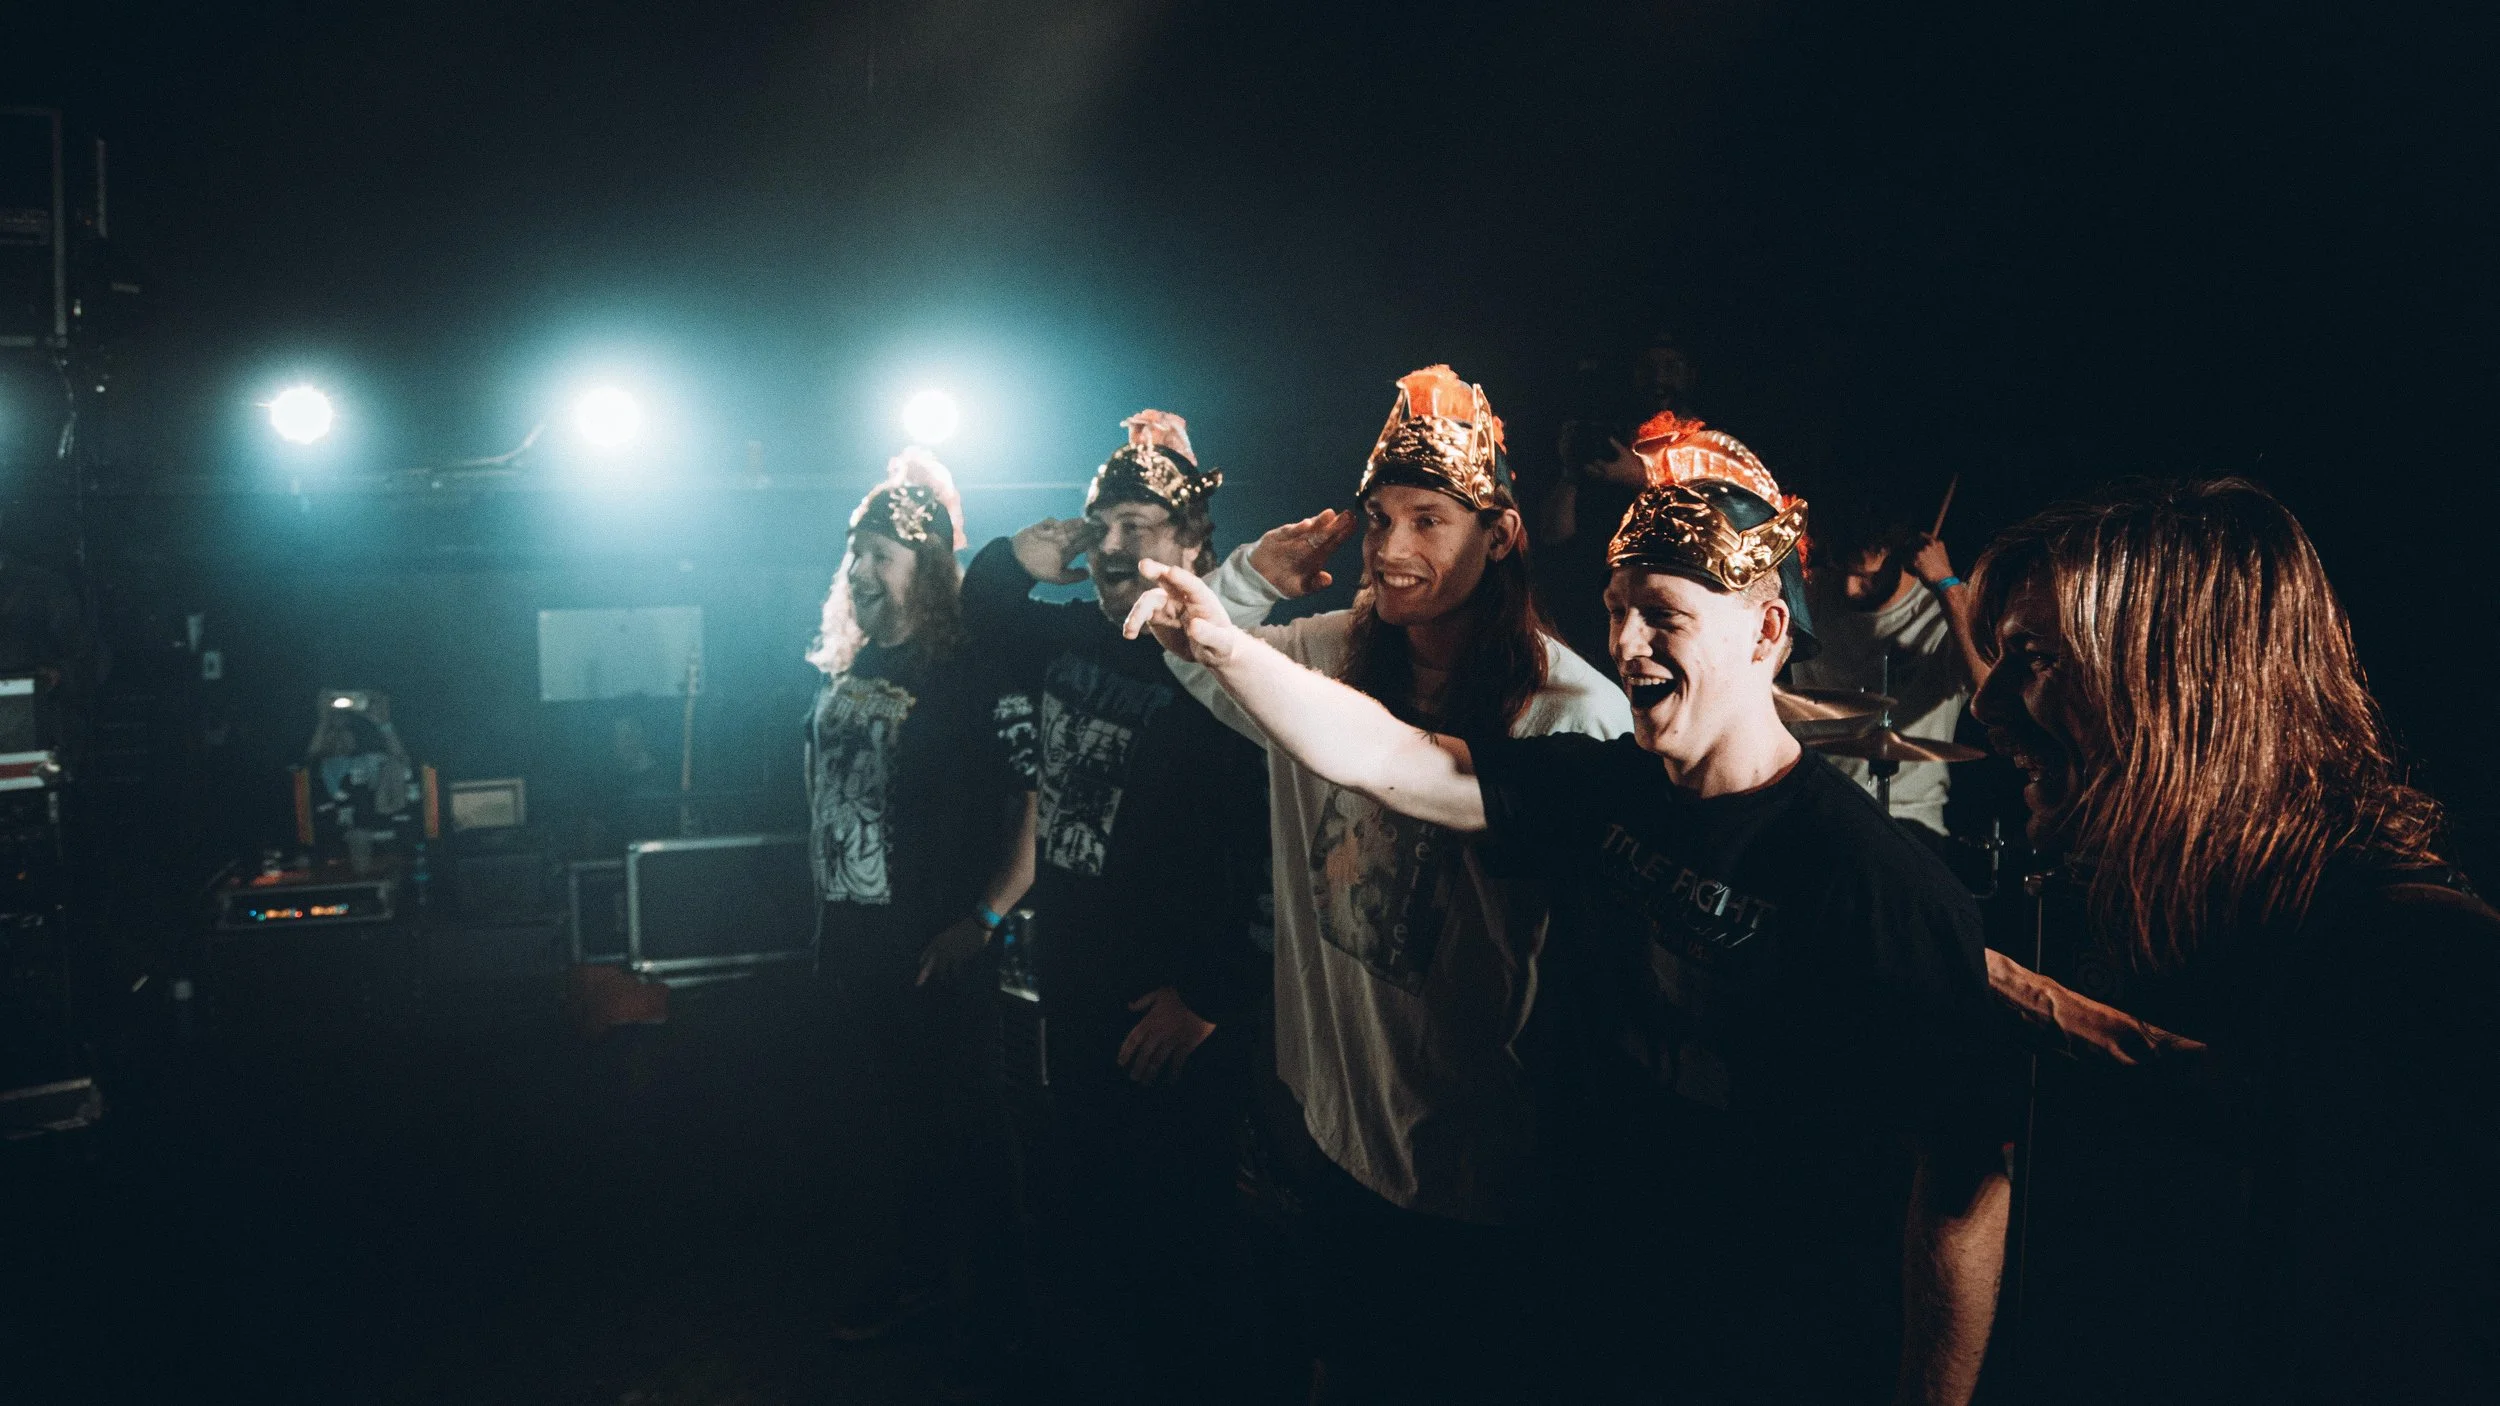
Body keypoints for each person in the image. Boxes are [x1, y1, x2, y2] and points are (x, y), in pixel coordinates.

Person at [1125, 411, 2015, 1406]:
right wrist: (1225, 643)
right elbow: (1393, 757)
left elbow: (1963, 1183)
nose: (1627, 641)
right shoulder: (1602, 789)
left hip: (1777, 1333)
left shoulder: (1868, 875)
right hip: (1600, 1289)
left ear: (1766, 630)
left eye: (1663, 614)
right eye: (1615, 607)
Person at [1967, 478, 2499, 1405]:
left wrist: (2037, 1004)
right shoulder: (2154, 906)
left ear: (2177, 681)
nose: (1988, 707)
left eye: (2036, 658)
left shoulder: (2417, 947)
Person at [1160, 366, 1630, 1404]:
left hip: (1471, 1164)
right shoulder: (1327, 653)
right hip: (1332, 1125)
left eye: (1428, 518)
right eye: (1377, 517)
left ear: (1500, 533)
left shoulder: (1572, 711)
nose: (1388, 546)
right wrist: (1247, 575)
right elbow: (1198, 660)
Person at [958, 410, 1271, 1401]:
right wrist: (1021, 550)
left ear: (1192, 549)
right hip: (1074, 986)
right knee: (1085, 1211)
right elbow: (984, 603)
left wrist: (1211, 993)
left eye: (1144, 525)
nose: (1119, 545)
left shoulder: (1228, 669)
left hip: (1168, 1003)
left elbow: (1274, 854)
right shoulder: (1061, 640)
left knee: (1185, 1231)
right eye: (1105, 524)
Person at [805, 449, 1036, 1398]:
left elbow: (1039, 799)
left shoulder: (967, 668)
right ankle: (915, 1286)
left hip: (936, 945)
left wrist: (985, 916)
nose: (861, 571)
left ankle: (999, 1325)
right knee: (881, 1130)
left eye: (882, 556)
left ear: (927, 566)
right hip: (852, 940)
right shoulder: (855, 661)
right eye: (856, 553)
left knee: (965, 1137)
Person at [1789, 489, 1989, 838]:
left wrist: (1948, 586)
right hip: (1813, 804)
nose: (1850, 589)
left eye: (1867, 577)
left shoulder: (1943, 612)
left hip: (1907, 820)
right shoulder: (1814, 592)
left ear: (1907, 558)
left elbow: (1987, 691)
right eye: (1842, 571)